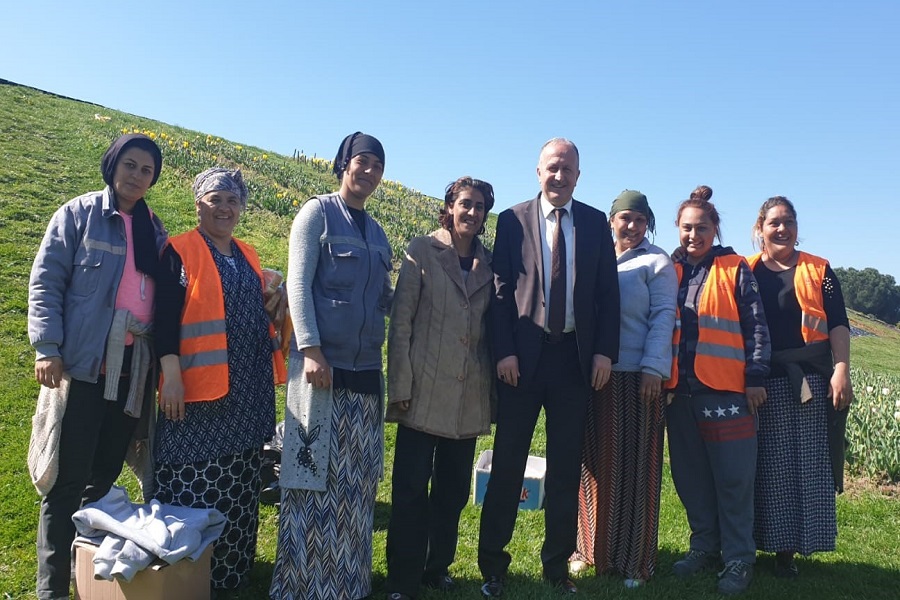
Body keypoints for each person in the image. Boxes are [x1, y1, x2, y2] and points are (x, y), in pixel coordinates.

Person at [28, 133, 167, 600]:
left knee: (104, 475)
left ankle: (84, 573)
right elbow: (47, 281)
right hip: (85, 367)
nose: (137, 176)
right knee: (68, 479)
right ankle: (52, 589)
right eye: (130, 165)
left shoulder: (154, 230)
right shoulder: (78, 214)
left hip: (132, 372)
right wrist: (47, 347)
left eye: (146, 170)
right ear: (112, 165)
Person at [478, 138, 620, 597]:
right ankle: (493, 567)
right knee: (507, 464)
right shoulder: (512, 220)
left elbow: (608, 295)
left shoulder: (595, 223)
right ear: (538, 171)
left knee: (565, 468)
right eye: (552, 167)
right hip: (522, 359)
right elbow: (500, 291)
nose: (559, 176)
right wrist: (504, 352)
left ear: (578, 176)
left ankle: (556, 567)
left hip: (573, 360)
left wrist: (604, 352)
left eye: (568, 169)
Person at [270, 132, 393, 600]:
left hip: (366, 373)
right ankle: (301, 585)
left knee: (355, 484)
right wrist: (311, 349)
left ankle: (346, 585)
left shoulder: (378, 234)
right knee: (309, 479)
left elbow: (383, 299)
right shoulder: (316, 213)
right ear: (344, 164)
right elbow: (298, 285)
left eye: (378, 166)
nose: (369, 171)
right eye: (363, 161)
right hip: (320, 370)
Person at [152, 167, 285, 593]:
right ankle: (187, 573)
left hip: (247, 392)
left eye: (232, 200)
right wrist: (171, 376)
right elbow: (163, 319)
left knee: (242, 482)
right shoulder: (179, 250)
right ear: (199, 205)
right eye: (215, 199)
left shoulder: (248, 254)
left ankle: (232, 570)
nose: (224, 208)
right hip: (197, 393)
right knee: (194, 481)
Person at [384, 177, 496, 600]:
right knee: (411, 490)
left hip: (467, 398)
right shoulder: (422, 251)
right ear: (449, 207)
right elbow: (401, 325)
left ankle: (436, 568)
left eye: (480, 206)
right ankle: (403, 579)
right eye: (465, 203)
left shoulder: (489, 263)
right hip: (422, 392)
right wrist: (400, 385)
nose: (472, 212)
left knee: (452, 494)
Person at [665, 185, 770, 596]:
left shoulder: (735, 268)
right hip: (680, 394)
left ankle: (739, 558)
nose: (694, 235)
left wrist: (755, 378)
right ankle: (704, 547)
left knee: (733, 481)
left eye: (702, 228)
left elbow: (756, 326)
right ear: (678, 228)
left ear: (715, 229)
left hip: (727, 392)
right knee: (690, 479)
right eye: (687, 228)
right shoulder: (669, 269)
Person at [573, 190, 677, 588]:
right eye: (625, 218)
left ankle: (635, 560)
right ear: (611, 220)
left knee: (637, 469)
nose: (631, 226)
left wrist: (654, 367)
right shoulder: (597, 255)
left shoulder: (656, 262)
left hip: (637, 376)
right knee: (594, 464)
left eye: (639, 219)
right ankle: (589, 549)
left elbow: (663, 316)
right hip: (595, 374)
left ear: (647, 223)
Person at [748, 196, 853, 578]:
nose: (782, 229)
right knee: (765, 468)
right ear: (760, 228)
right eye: (774, 222)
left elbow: (838, 322)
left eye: (788, 221)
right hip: (761, 381)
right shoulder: (746, 270)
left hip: (808, 381)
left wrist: (841, 369)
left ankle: (788, 551)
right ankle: (756, 541)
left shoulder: (820, 270)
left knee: (804, 467)